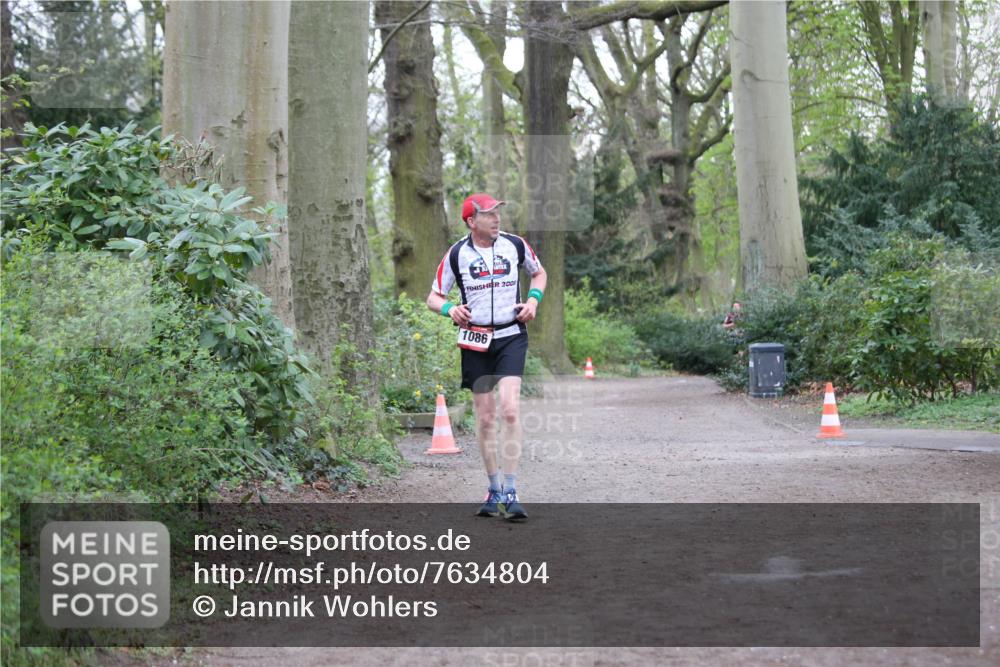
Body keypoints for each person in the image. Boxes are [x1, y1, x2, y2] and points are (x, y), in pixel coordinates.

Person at [426, 193, 547, 522]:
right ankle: (493, 489)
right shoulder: (456, 255)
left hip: (510, 335)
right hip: (475, 339)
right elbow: (433, 298)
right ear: (471, 221)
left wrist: (533, 302)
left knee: (509, 409)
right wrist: (451, 309)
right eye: (489, 214)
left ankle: (511, 489)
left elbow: (539, 274)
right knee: (486, 417)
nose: (496, 219)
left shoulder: (515, 245)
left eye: (498, 212)